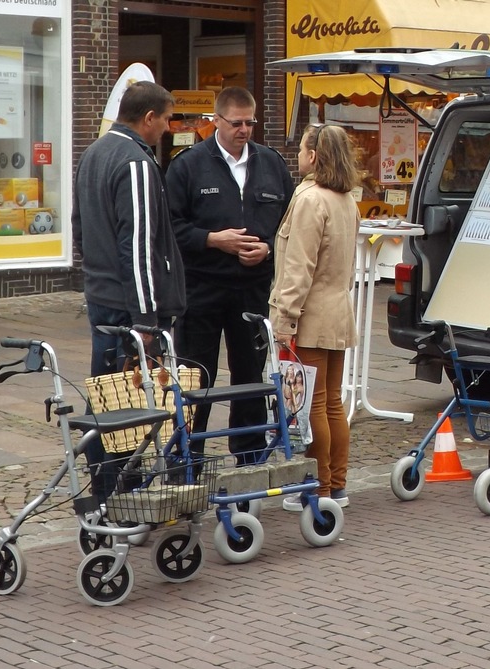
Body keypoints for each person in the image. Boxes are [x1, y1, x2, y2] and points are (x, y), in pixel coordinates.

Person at [166, 87, 294, 467]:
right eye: (236, 123)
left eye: (250, 122)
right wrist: (212, 239)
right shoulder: (188, 165)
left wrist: (269, 247)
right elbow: (170, 227)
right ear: (216, 121)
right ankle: (188, 457)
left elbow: (290, 223)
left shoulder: (271, 164)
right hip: (201, 287)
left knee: (250, 375)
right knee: (195, 376)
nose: (244, 130)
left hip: (252, 290)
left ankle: (250, 454)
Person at [73, 81, 186, 498]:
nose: (169, 128)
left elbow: (79, 229)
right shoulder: (134, 161)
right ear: (149, 118)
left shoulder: (93, 153)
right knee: (124, 399)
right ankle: (117, 488)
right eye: (167, 119)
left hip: (102, 296)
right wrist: (145, 320)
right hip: (128, 306)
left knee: (105, 392)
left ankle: (108, 484)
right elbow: (136, 246)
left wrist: (95, 277)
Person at [269, 123, 360, 510]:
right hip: (338, 310)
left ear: (313, 155)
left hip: (311, 313)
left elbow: (298, 268)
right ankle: (336, 484)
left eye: (303, 149)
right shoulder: (347, 200)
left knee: (314, 405)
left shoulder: (310, 199)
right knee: (333, 402)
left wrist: (283, 320)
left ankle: (317, 488)